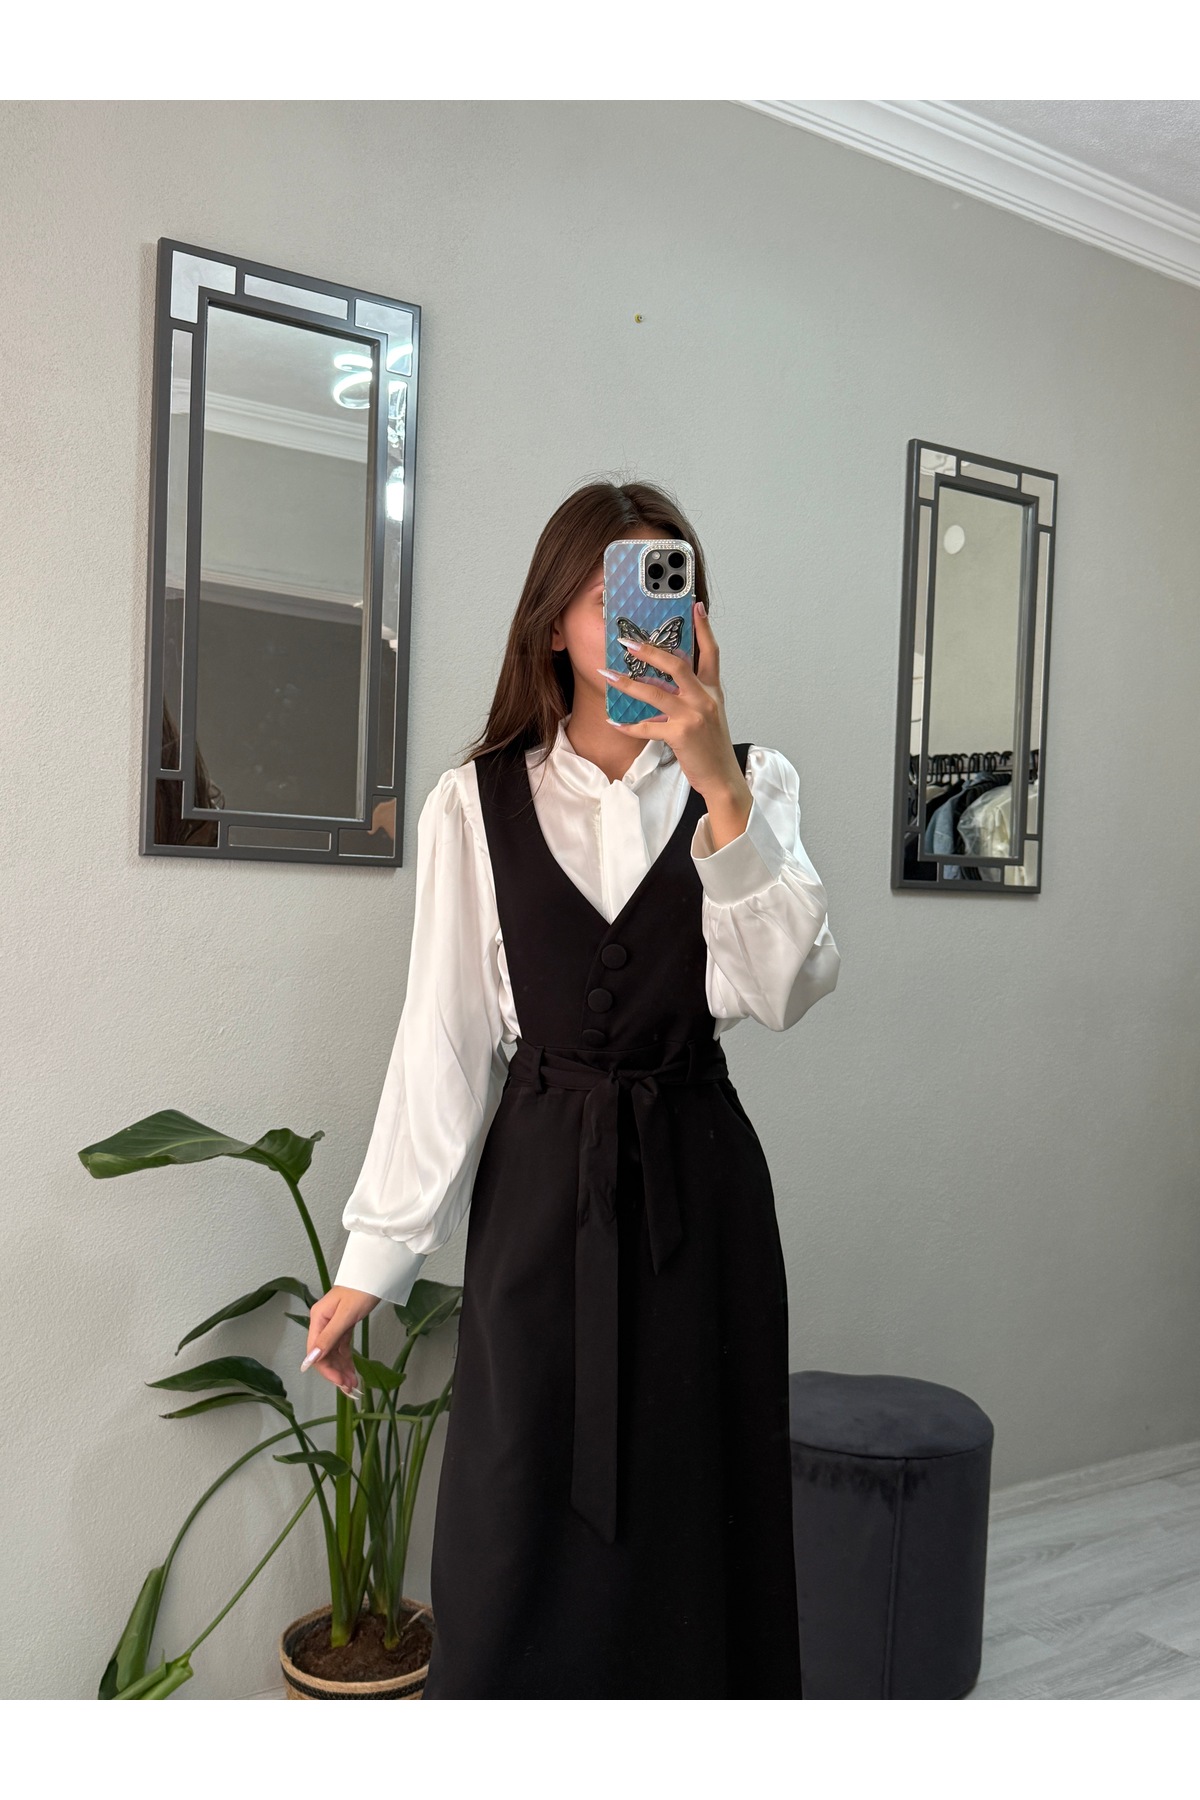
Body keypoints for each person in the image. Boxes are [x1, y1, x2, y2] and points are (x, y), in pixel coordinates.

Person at [301, 479, 841, 1698]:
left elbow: (785, 989)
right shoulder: (475, 799)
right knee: (515, 1515)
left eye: (665, 588)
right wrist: (374, 1260)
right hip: (542, 1194)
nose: (639, 616)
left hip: (699, 1190)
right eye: (607, 592)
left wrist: (719, 789)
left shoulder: (756, 784)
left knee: (698, 1519)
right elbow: (443, 1038)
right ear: (554, 622)